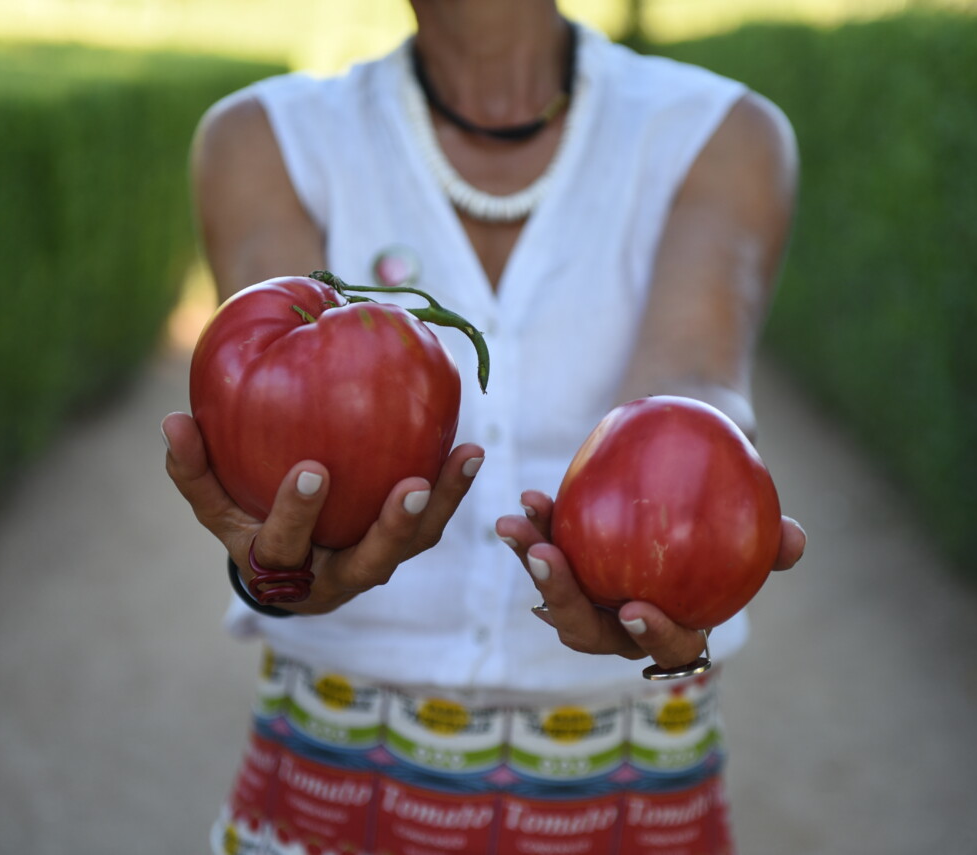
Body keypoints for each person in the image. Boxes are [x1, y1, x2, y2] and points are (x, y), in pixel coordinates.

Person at [162, 1, 806, 852]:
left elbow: (688, 388)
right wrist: (275, 571)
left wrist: (682, 536)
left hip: (628, 765)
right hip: (334, 758)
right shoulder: (261, 139)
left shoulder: (722, 133)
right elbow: (264, 431)